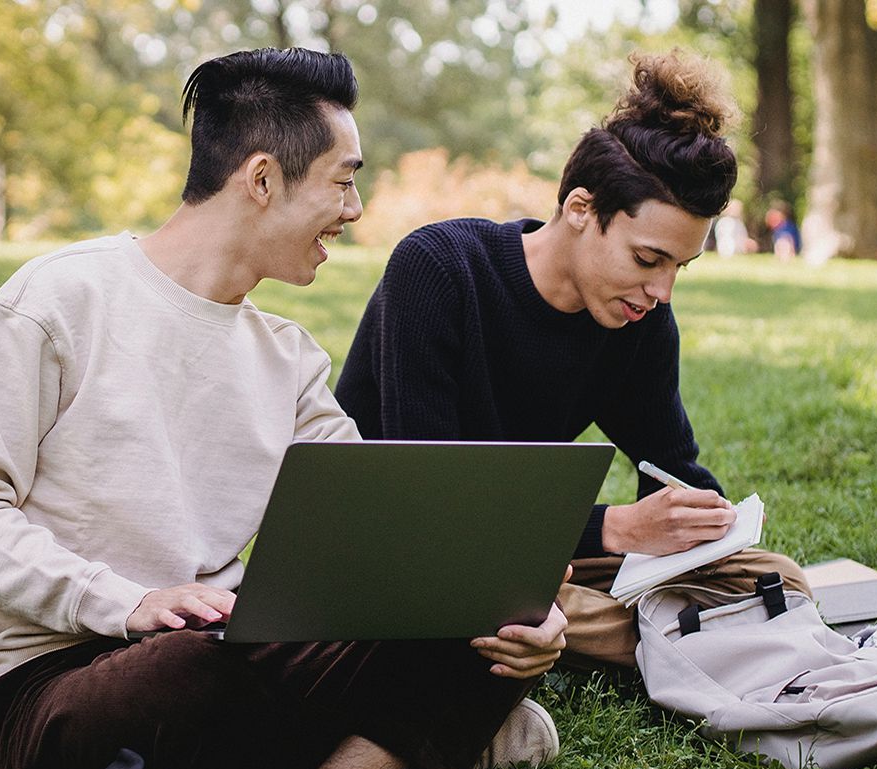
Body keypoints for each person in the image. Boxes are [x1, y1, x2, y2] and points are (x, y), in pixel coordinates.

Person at [0, 47, 568, 769]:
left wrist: (509, 603)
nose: (355, 208)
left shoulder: (288, 358)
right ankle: (420, 734)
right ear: (262, 179)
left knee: (468, 614)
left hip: (225, 637)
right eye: (343, 179)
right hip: (54, 683)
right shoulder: (54, 304)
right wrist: (127, 601)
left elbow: (384, 531)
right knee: (206, 663)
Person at [333, 50, 819, 670]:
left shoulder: (638, 320)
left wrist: (706, 522)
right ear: (581, 210)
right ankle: (677, 633)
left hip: (523, 552)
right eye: (648, 260)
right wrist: (615, 529)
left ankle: (628, 627)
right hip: (405, 548)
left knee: (775, 576)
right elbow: (430, 501)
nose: (663, 291)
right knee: (487, 597)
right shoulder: (441, 270)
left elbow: (669, 466)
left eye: (679, 267)